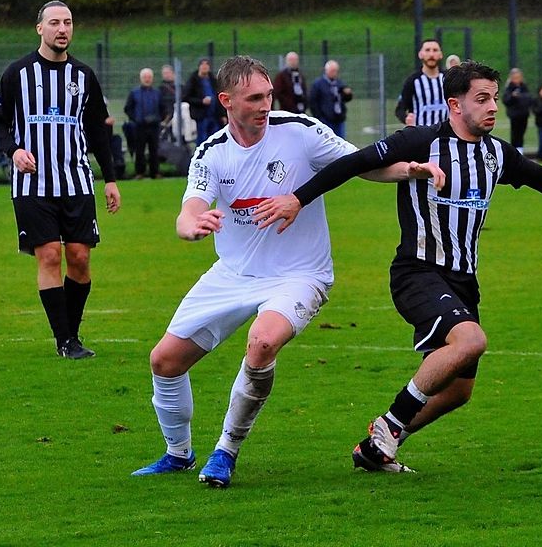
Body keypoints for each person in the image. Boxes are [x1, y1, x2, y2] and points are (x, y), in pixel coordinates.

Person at [254, 60, 542, 473]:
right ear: (454, 104)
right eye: (481, 99)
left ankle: (378, 449)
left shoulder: (496, 154)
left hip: (464, 280)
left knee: (457, 392)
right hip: (418, 272)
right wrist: (298, 198)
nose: (491, 108)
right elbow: (352, 164)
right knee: (470, 341)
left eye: (494, 99)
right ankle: (390, 424)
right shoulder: (419, 141)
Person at [130, 55, 441, 487]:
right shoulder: (211, 152)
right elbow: (190, 209)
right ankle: (177, 453)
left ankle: (226, 450)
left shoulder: (299, 130)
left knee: (262, 343)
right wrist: (190, 227)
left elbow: (358, 162)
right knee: (164, 361)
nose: (264, 104)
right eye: (254, 98)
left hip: (300, 273)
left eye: (268, 95)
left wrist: (408, 170)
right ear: (226, 100)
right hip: (234, 274)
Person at [0, 0, 121, 360]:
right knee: (49, 255)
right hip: (32, 185)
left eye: (68, 22)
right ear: (40, 29)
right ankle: (65, 341)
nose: (62, 29)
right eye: (54, 23)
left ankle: (72, 335)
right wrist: (14, 151)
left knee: (78, 258)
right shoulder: (17, 74)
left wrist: (109, 179)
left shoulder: (84, 76)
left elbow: (97, 130)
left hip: (76, 181)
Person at [124, 67, 166, 179]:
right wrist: (136, 119)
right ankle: (140, 172)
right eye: (145, 77)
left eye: (149, 77)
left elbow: (163, 108)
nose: (147, 79)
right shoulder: (134, 93)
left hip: (154, 126)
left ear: (152, 79)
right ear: (141, 78)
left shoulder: (157, 93)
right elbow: (128, 108)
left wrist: (158, 119)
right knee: (139, 150)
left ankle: (155, 172)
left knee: (154, 150)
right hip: (139, 126)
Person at [397, 39, 448, 127]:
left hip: (446, 135)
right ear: (420, 54)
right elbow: (400, 109)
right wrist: (406, 118)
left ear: (441, 55)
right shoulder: (412, 81)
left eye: (435, 50)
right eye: (427, 50)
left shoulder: (448, 78)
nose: (431, 54)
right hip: (421, 135)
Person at [309, 60, 352, 138]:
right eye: (332, 71)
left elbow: (346, 99)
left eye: (336, 71)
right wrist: (319, 117)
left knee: (341, 142)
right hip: (326, 120)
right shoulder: (318, 84)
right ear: (326, 71)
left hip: (339, 119)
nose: (335, 73)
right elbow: (313, 102)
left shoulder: (339, 83)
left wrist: (348, 94)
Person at [185, 58, 223, 145]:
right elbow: (186, 97)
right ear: (199, 67)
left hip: (214, 116)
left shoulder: (213, 81)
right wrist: (201, 101)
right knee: (203, 140)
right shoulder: (193, 80)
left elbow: (219, 97)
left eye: (207, 64)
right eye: (203, 64)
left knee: (216, 140)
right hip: (201, 116)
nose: (205, 67)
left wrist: (222, 114)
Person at [501, 67, 531, 153]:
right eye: (515, 77)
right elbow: (506, 100)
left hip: (524, 114)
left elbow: (529, 98)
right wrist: (513, 97)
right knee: (515, 134)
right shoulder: (509, 88)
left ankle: (520, 151)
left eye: (518, 77)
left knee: (521, 134)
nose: (517, 79)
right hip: (514, 115)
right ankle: (515, 152)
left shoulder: (524, 87)